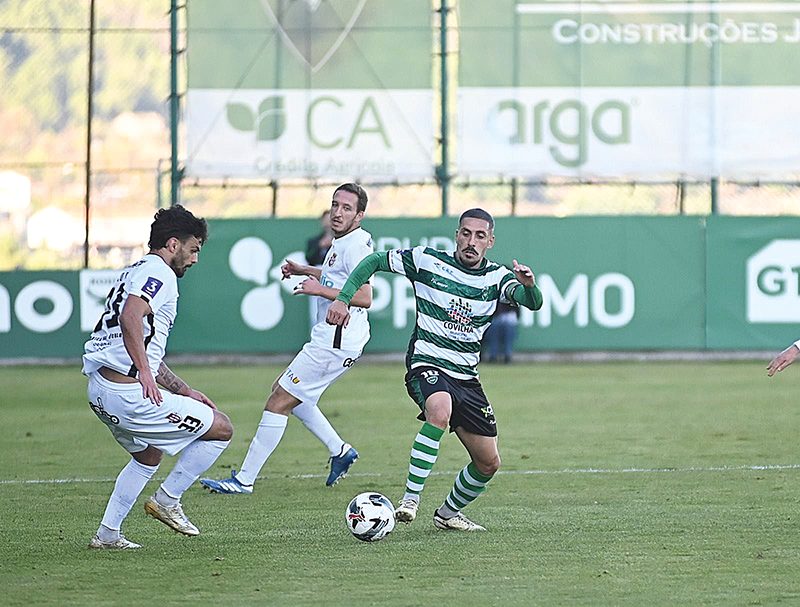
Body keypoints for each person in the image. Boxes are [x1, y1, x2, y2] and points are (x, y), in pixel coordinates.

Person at [327, 208, 543, 532]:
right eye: (466, 233)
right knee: (439, 411)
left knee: (488, 462)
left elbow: (531, 301)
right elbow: (374, 261)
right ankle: (410, 500)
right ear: (457, 235)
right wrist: (344, 299)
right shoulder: (427, 260)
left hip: (466, 378)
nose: (471, 241)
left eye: (480, 236)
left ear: (490, 241)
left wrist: (530, 286)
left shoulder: (496, 278)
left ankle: (447, 514)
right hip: (427, 363)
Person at [201, 183, 373, 495]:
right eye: (335, 205)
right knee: (291, 394)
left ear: (359, 215)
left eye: (347, 208)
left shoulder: (357, 246)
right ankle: (340, 450)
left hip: (336, 339)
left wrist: (319, 290)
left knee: (279, 400)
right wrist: (304, 270)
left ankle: (244, 480)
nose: (337, 212)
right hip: (335, 337)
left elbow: (364, 296)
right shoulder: (343, 241)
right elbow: (339, 277)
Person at [83, 205, 233, 550]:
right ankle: (168, 500)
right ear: (172, 244)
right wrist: (145, 374)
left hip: (101, 389)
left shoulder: (134, 270)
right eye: (193, 249)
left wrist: (183, 389)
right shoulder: (160, 274)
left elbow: (143, 345)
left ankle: (107, 535)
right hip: (127, 394)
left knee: (149, 455)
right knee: (222, 428)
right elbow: (130, 317)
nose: (195, 259)